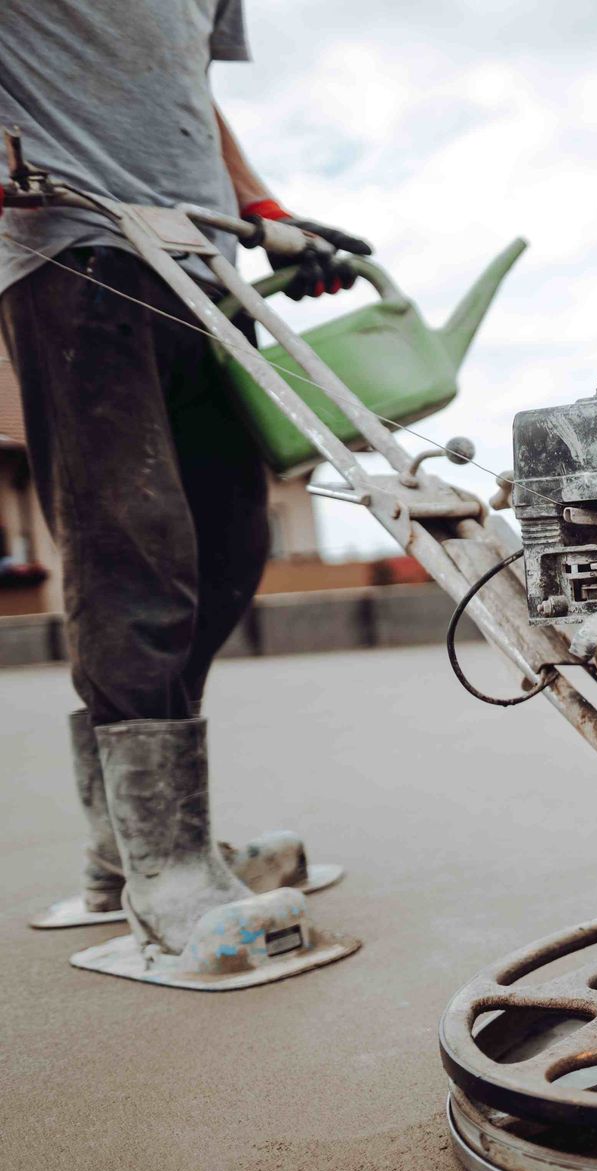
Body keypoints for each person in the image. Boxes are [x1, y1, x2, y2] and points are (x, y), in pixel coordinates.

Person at [0, 2, 370, 957]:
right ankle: (162, 867)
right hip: (69, 238)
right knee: (133, 542)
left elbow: (189, 89)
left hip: (201, 254)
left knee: (231, 540)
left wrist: (266, 211)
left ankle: (126, 849)